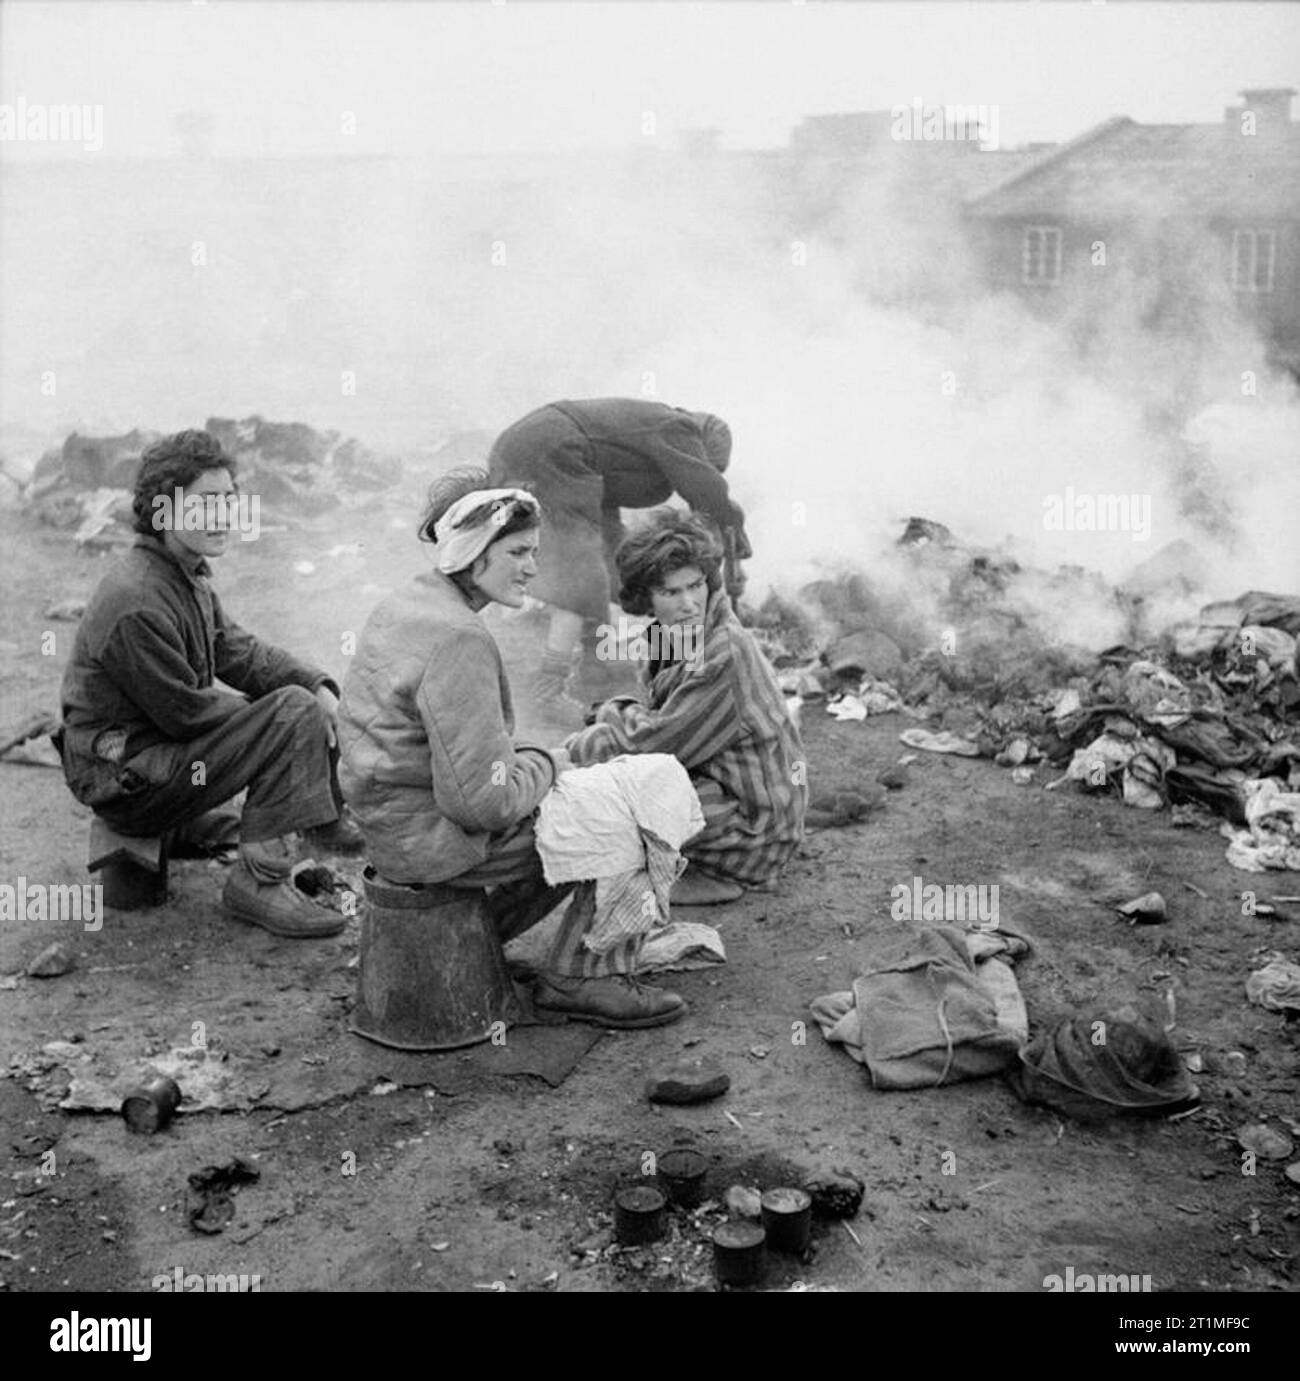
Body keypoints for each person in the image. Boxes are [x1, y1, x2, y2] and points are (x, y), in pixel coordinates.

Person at [336, 469, 686, 1028]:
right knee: (627, 815)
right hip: (433, 843)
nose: (532, 567)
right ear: (474, 551)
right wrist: (548, 762)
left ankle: (478, 947)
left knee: (567, 804)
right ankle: (583, 977)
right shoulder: (460, 638)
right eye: (519, 552)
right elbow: (483, 806)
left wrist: (525, 762)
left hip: (390, 828)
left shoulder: (405, 606)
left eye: (535, 551)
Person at [58, 429, 362, 939]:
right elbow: (187, 714)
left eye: (228, 502)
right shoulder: (135, 598)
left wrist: (315, 683)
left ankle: (313, 816)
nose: (223, 517)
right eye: (204, 505)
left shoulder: (181, 572)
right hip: (125, 779)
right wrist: (286, 715)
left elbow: (236, 650)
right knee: (290, 712)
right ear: (161, 513)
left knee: (299, 701)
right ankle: (258, 882)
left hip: (153, 758)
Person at [564, 511, 806, 905]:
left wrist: (591, 734)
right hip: (730, 799)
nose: (689, 603)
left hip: (754, 833)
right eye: (671, 592)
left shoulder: (724, 651)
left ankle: (719, 874)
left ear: (709, 581)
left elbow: (654, 744)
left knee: (610, 788)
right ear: (646, 597)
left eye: (696, 586)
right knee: (609, 773)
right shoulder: (671, 634)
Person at [486, 398, 752, 719]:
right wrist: (728, 525)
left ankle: (601, 667)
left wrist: (629, 569)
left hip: (539, 454)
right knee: (581, 576)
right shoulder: (678, 428)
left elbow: (604, 507)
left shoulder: (642, 432)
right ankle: (550, 690)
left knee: (612, 569)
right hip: (551, 452)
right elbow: (707, 491)